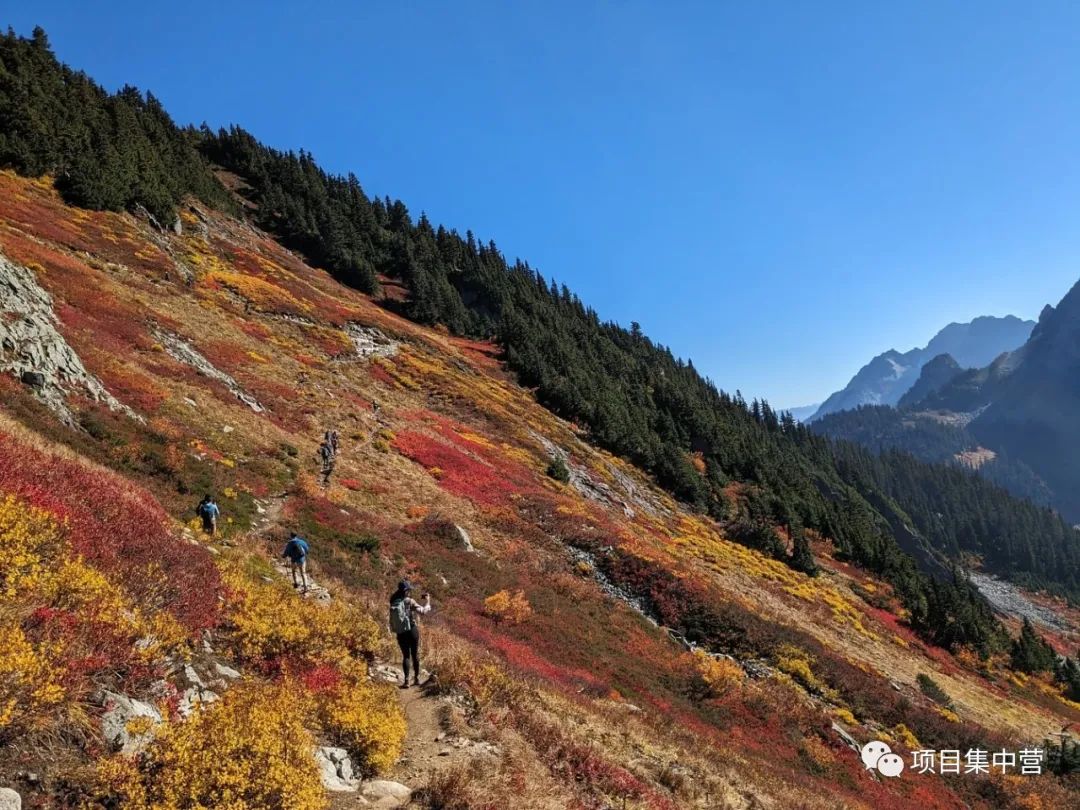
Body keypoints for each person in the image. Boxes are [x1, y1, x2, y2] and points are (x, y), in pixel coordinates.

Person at [388, 580, 431, 688]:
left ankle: (406, 681)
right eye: (408, 589)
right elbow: (423, 611)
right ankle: (416, 679)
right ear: (406, 590)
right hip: (412, 630)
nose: (409, 591)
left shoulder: (393, 600)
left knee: (406, 656)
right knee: (414, 655)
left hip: (401, 632)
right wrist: (428, 602)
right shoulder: (409, 601)